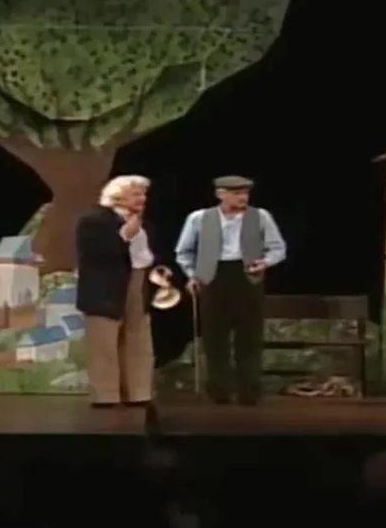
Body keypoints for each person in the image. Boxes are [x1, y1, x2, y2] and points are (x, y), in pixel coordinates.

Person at [175, 176, 287, 405]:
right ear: (221, 194)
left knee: (249, 336)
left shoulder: (260, 216)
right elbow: (184, 251)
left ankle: (249, 391)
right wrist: (192, 274)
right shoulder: (199, 218)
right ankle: (219, 390)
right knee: (214, 337)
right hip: (212, 276)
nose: (243, 197)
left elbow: (278, 248)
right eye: (236, 193)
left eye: (245, 193)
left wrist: (265, 262)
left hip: (247, 277)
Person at [75, 175, 167, 408]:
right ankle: (106, 396)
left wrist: (157, 270)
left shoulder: (145, 224)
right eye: (136, 194)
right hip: (104, 288)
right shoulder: (93, 220)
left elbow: (145, 254)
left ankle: (138, 393)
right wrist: (125, 235)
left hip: (137, 281)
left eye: (143, 194)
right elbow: (95, 254)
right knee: (104, 344)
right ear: (118, 195)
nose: (142, 199)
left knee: (139, 340)